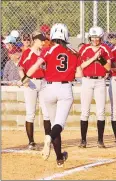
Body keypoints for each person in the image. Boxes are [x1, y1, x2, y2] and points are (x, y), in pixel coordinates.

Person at [17, 23, 82, 167]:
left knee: (54, 124)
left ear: (52, 35)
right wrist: (69, 74)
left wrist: (24, 79)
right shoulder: (73, 51)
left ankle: (59, 158)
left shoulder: (47, 50)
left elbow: (35, 66)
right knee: (58, 125)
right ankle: (48, 138)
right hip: (65, 89)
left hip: (48, 88)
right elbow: (80, 74)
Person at [78, 26, 112, 148]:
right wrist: (93, 58)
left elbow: (108, 67)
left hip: (100, 81)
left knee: (101, 112)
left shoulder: (105, 49)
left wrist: (101, 59)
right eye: (93, 37)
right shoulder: (84, 49)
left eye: (97, 38)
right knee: (85, 111)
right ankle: (83, 140)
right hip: (87, 80)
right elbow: (81, 65)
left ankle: (100, 140)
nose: (95, 40)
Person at [17, 31, 50, 150]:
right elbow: (21, 68)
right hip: (31, 83)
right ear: (35, 40)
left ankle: (48, 139)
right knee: (31, 113)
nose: (43, 42)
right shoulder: (27, 53)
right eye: (41, 40)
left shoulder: (44, 53)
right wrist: (23, 79)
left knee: (47, 112)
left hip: (43, 82)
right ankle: (31, 142)